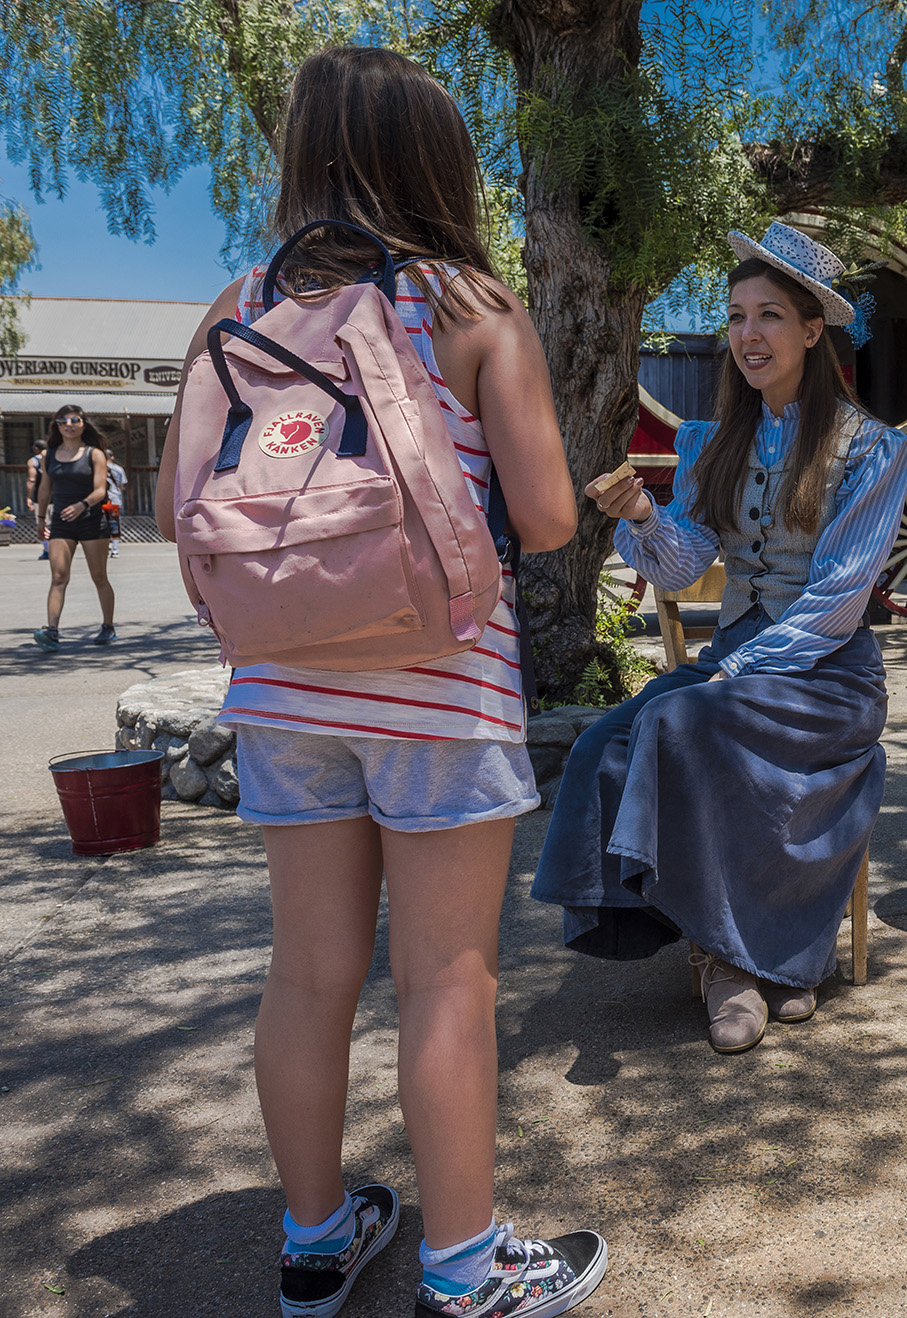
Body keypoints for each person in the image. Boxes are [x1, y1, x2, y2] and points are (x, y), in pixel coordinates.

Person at [155, 46, 603, 1318]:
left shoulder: (232, 308)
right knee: (449, 976)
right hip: (436, 689)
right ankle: (465, 1269)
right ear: (435, 158)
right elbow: (552, 517)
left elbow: (192, 503)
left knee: (306, 974)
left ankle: (312, 1240)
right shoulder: (469, 306)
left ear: (305, 155)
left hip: (284, 692)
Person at [532, 221, 907, 1055]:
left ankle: (746, 961)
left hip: (827, 680)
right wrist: (641, 518)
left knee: (680, 721)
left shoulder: (878, 451)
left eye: (770, 315)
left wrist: (732, 671)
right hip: (735, 672)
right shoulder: (715, 441)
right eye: (737, 314)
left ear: (814, 331)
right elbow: (681, 568)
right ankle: (735, 954)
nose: (748, 334)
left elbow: (837, 603)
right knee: (608, 737)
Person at [33, 407, 115, 649]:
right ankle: (51, 631)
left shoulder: (94, 454)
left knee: (99, 576)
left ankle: (108, 626)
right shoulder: (49, 455)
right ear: (57, 426)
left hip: (91, 518)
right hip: (61, 521)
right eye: (63, 421)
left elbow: (101, 489)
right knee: (58, 576)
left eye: (74, 420)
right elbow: (45, 488)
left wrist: (82, 505)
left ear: (83, 424)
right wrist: (40, 519)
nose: (69, 425)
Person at [102, 446, 126, 557]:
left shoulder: (98, 468)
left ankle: (105, 548)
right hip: (114, 500)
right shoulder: (118, 469)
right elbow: (121, 485)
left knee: (102, 525)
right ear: (112, 457)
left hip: (101, 500)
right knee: (114, 524)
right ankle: (115, 549)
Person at [27, 436, 49, 559]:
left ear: (36, 448)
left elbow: (31, 480)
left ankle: (48, 550)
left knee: (42, 523)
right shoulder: (55, 458)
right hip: (57, 496)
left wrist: (28, 497)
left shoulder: (33, 461)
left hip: (41, 496)